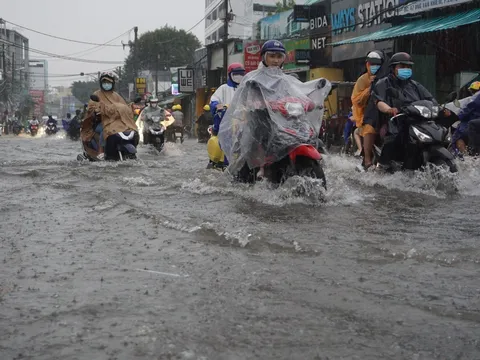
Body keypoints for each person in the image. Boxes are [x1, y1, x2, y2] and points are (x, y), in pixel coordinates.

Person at [371, 52, 448, 169]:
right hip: (394, 122)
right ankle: (382, 166)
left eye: (408, 67)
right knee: (392, 140)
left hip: (418, 121)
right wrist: (389, 109)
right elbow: (379, 102)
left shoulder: (415, 85)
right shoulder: (383, 83)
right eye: (402, 67)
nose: (405, 69)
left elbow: (430, 99)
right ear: (393, 68)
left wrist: (440, 108)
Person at [81, 71, 137, 160]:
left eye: (109, 82)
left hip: (117, 122)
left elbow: (123, 106)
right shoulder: (97, 94)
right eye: (105, 82)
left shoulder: (116, 95)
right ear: (101, 83)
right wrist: (96, 111)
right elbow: (91, 108)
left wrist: (130, 108)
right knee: (104, 130)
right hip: (102, 121)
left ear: (112, 83)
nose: (107, 84)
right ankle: (101, 151)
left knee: (130, 129)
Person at [351, 51, 385, 170]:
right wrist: (369, 89)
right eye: (371, 64)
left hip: (385, 112)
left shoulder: (386, 78)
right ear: (367, 64)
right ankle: (367, 160)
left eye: (377, 64)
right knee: (369, 128)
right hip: (366, 115)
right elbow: (356, 100)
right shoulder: (363, 80)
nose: (374, 66)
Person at [210, 62, 246, 135]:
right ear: (230, 75)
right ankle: (216, 132)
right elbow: (214, 99)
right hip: (227, 120)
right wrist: (216, 105)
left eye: (241, 74)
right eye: (236, 74)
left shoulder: (246, 88)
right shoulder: (223, 88)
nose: (239, 76)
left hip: (243, 120)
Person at [451, 81, 480, 155]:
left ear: (472, 90)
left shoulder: (475, 98)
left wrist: (456, 117)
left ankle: (466, 156)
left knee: (457, 136)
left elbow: (466, 109)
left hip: (472, 123)